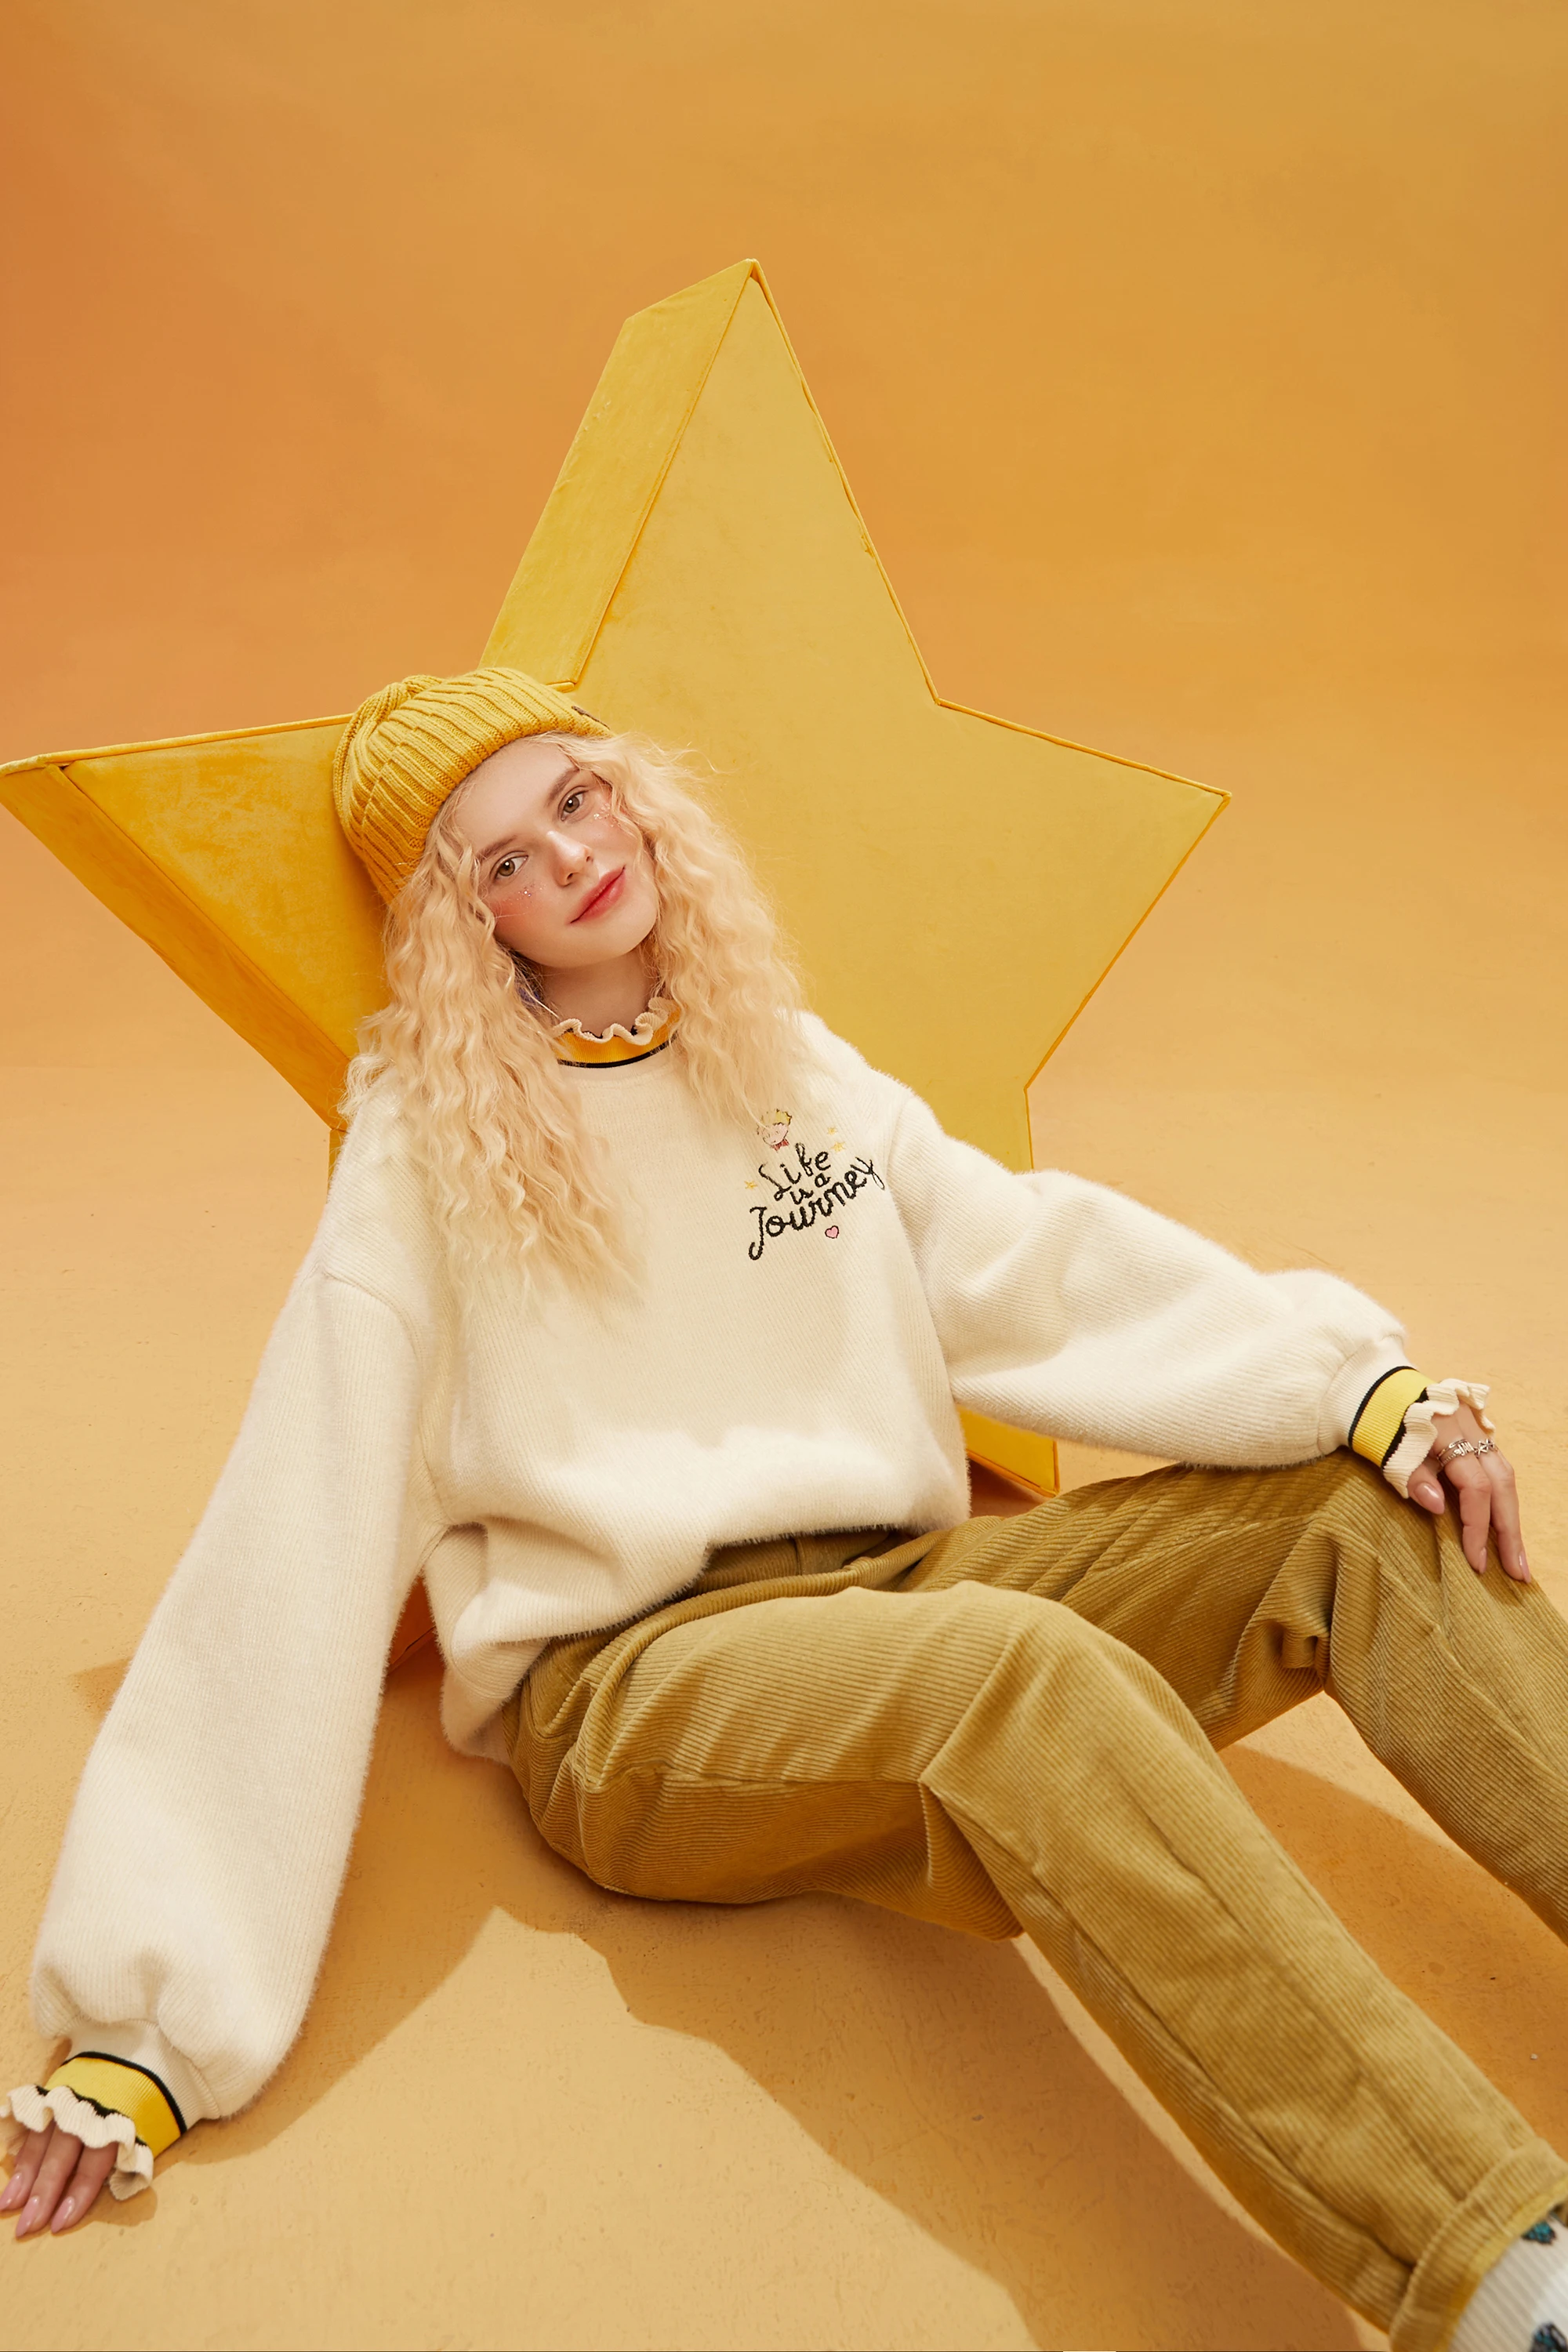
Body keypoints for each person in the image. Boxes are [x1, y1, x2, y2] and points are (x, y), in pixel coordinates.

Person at [3, 666, 1565, 2352]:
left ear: (632, 794)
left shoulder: (780, 1060)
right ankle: (1500, 2272)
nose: (570, 857)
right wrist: (146, 2021)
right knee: (1018, 1671)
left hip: (897, 1591)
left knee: (1356, 1510)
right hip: (639, 1684)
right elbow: (294, 1528)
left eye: (576, 799)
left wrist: (1352, 1384)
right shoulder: (423, 1149)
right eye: (503, 859)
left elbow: (1024, 1263)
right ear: (470, 924)